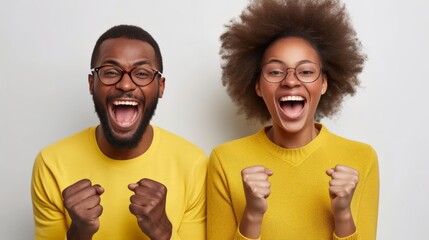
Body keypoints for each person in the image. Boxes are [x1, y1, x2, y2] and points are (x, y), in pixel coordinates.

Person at [207, 0, 379, 239]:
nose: (290, 81)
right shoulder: (225, 161)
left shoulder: (361, 158)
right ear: (257, 85)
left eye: (306, 71)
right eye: (275, 71)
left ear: (324, 83)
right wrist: (253, 216)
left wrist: (343, 216)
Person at [31, 25, 207, 240]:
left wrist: (163, 232)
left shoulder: (193, 163)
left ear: (160, 87)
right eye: (111, 72)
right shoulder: (51, 163)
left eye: (142, 73)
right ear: (91, 83)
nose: (125, 84)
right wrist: (78, 234)